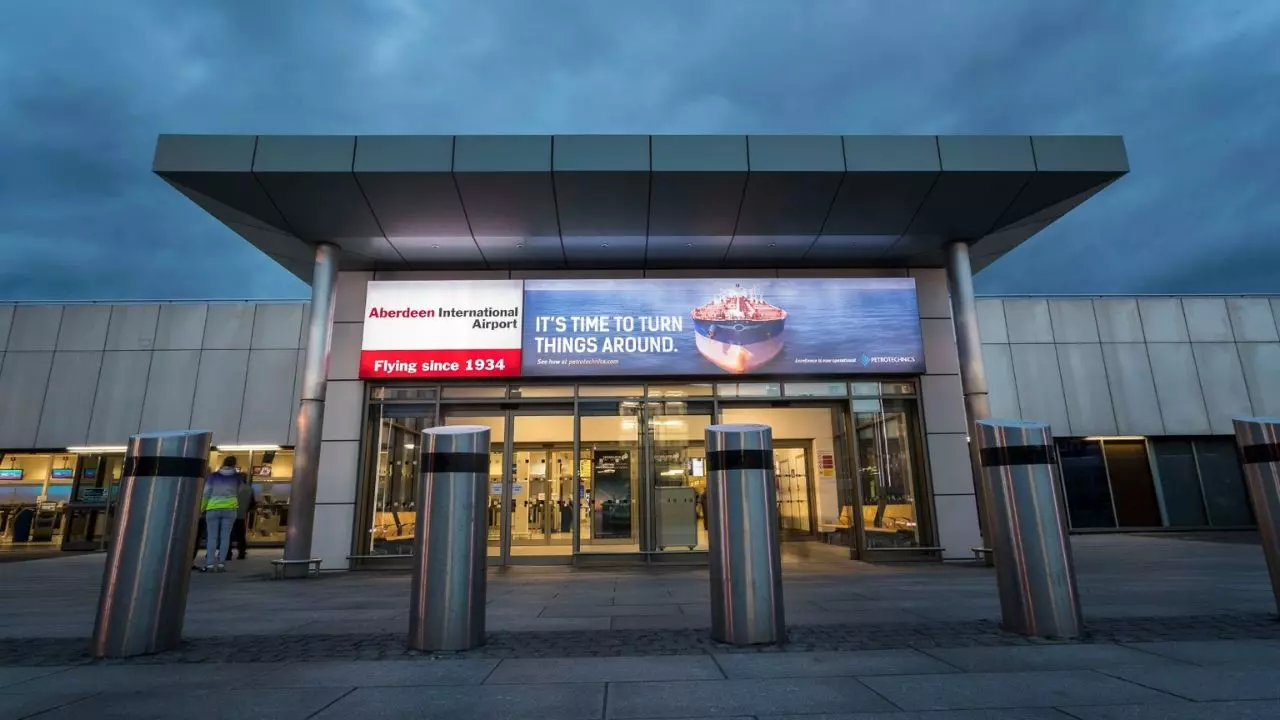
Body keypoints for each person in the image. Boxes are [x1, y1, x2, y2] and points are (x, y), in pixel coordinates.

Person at [201, 456, 241, 572]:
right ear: (235, 464)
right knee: (225, 538)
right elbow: (238, 491)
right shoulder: (237, 477)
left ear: (223, 463)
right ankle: (221, 564)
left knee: (212, 537)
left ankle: (209, 564)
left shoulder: (213, 476)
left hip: (213, 507)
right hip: (230, 509)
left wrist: (202, 508)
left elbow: (206, 492)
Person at [229, 475, 256, 560]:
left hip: (230, 514)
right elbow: (252, 504)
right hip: (241, 515)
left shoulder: (233, 488)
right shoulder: (249, 489)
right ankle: (241, 553)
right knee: (241, 536)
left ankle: (227, 554)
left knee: (228, 535)